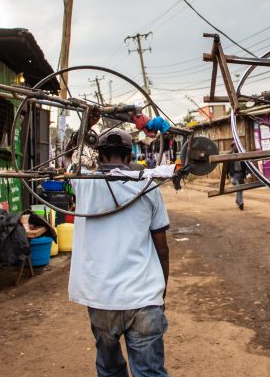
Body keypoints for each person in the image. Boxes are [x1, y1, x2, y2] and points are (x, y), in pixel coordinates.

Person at [69, 128, 170, 377]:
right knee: (150, 373)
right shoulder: (149, 187)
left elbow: (71, 154)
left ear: (99, 156)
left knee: (110, 369)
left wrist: (86, 124)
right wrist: (161, 290)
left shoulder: (83, 184)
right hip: (144, 297)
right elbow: (162, 248)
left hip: (101, 297)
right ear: (129, 157)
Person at [227, 142, 248, 210]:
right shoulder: (229, 155)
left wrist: (248, 173)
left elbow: (247, 164)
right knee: (238, 187)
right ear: (232, 147)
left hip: (241, 174)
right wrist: (227, 176)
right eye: (234, 145)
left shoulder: (242, 154)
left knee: (240, 189)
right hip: (234, 175)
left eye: (237, 145)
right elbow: (226, 166)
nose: (236, 147)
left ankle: (237, 200)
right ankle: (241, 203)